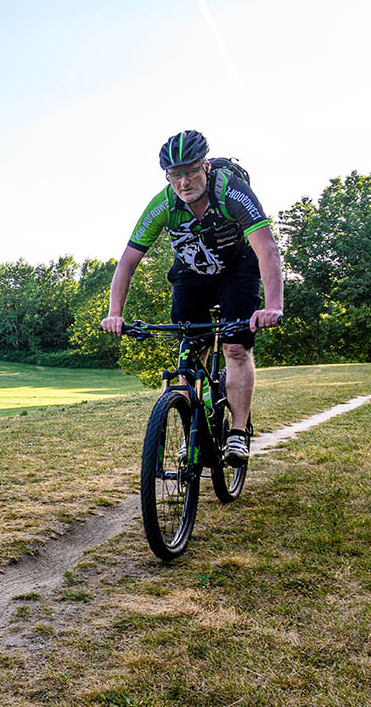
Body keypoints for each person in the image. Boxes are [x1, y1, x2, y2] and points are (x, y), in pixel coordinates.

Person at [101, 130, 283, 464]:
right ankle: (192, 430)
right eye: (175, 175)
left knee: (235, 346)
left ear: (207, 166)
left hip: (238, 271)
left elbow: (267, 249)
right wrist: (115, 313)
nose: (184, 182)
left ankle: (238, 433)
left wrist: (273, 307)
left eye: (191, 171)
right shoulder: (163, 205)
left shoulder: (231, 192)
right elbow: (128, 261)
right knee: (188, 349)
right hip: (191, 275)